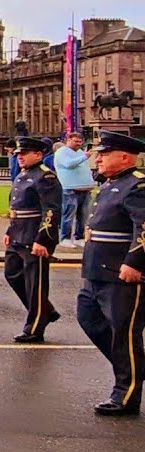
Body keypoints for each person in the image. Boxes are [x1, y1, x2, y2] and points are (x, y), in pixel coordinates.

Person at [76, 131, 145, 416]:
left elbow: (143, 227)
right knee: (89, 319)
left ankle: (125, 396)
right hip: (96, 272)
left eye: (105, 153)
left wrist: (135, 261)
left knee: (124, 334)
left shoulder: (137, 187)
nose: (98, 157)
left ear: (125, 157)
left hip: (121, 274)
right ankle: (135, 367)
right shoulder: (109, 185)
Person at [3, 136, 63, 343]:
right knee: (12, 274)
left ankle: (35, 328)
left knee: (35, 283)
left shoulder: (45, 177)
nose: (19, 157)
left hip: (34, 235)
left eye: (24, 153)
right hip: (18, 233)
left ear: (38, 154)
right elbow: (16, 207)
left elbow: (51, 211)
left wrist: (43, 239)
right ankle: (45, 309)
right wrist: (9, 230)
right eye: (18, 154)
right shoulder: (23, 174)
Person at [55, 131, 95, 248]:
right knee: (68, 215)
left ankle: (79, 237)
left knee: (83, 215)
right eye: (75, 141)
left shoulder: (81, 152)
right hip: (70, 188)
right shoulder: (62, 153)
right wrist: (84, 157)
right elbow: (68, 164)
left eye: (80, 141)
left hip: (85, 189)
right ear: (68, 140)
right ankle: (65, 238)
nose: (78, 144)